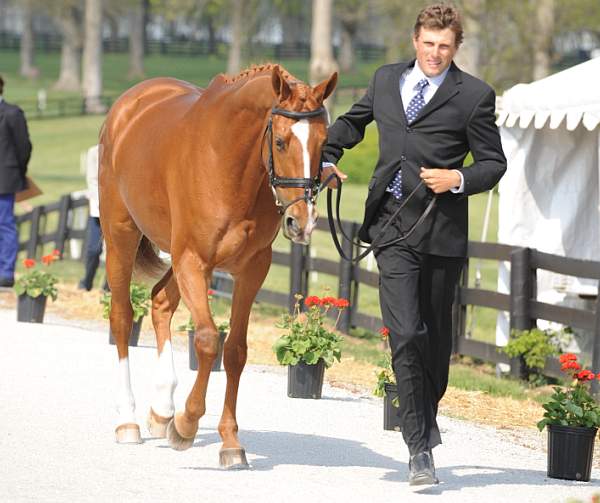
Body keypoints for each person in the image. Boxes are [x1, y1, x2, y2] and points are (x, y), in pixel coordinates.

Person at [322, 3, 506, 487]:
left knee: (435, 342)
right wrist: (326, 156)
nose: (435, 53)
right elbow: (352, 123)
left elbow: (493, 162)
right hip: (390, 226)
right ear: (415, 40)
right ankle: (419, 449)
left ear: (455, 47)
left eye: (444, 46)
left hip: (441, 234)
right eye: (428, 43)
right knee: (404, 333)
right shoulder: (385, 80)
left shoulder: (475, 96)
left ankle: (425, 414)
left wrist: (458, 178)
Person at [0, 75, 32, 288]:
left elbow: (24, 147)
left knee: (4, 224)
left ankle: (6, 272)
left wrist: (16, 172)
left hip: (4, 178)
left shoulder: (12, 113)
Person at [78, 144, 104, 291]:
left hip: (121, 211)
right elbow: (92, 180)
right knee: (94, 249)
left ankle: (109, 287)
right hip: (99, 210)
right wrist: (103, 204)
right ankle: (87, 281)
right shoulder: (94, 152)